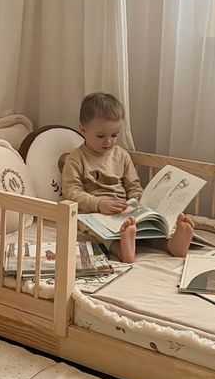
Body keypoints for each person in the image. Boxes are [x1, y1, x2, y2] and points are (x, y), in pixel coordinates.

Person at [62, 92, 194, 263]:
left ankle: (171, 244)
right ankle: (121, 249)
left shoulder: (122, 156)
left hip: (124, 211)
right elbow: (71, 191)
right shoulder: (76, 159)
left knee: (147, 226)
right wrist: (99, 204)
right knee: (94, 231)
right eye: (101, 136)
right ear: (83, 130)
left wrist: (137, 198)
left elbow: (133, 185)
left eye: (114, 135)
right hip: (93, 214)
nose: (108, 142)